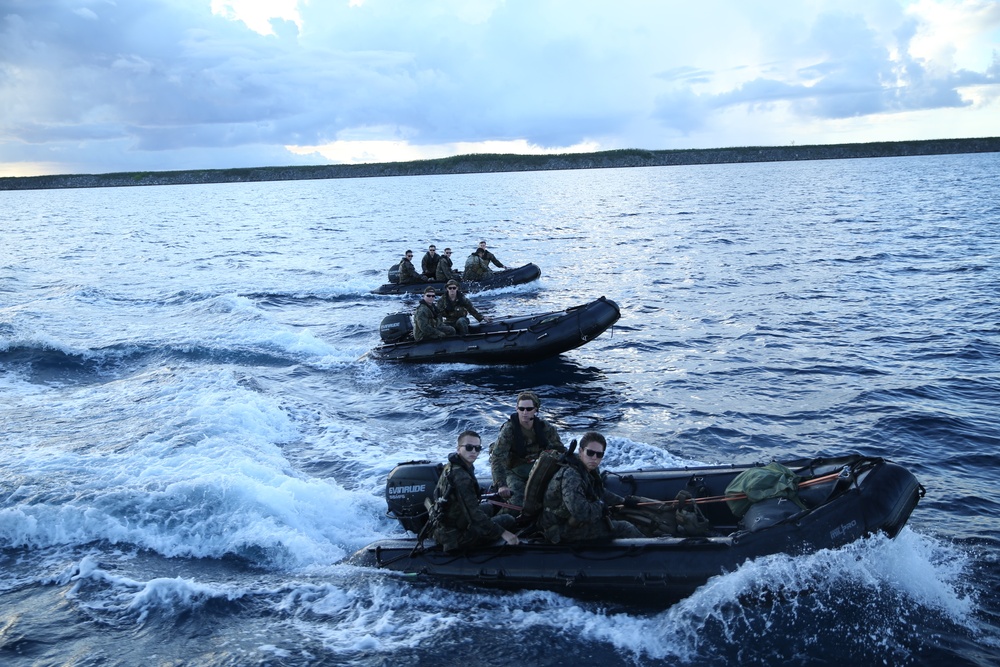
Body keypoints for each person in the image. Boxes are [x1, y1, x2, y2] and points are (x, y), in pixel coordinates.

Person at [537, 431, 644, 544]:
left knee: (620, 517)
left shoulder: (588, 470)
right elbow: (581, 513)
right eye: (590, 453)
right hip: (559, 530)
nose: (594, 458)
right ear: (581, 451)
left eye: (599, 454)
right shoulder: (571, 476)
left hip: (571, 522)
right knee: (625, 527)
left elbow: (599, 491)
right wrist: (601, 506)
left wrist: (623, 501)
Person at [426, 430, 519, 552]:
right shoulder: (461, 477)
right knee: (508, 519)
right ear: (459, 449)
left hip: (451, 522)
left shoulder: (452, 465)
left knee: (489, 507)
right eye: (469, 447)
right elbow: (475, 515)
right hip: (455, 537)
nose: (474, 452)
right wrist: (503, 533)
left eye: (477, 448)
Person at [489, 391, 565, 508]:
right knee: (519, 501)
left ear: (535, 410)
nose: (525, 412)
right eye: (521, 408)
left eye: (529, 409)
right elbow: (497, 457)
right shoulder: (509, 430)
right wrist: (501, 484)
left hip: (537, 468)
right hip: (513, 469)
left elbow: (559, 450)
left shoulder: (546, 428)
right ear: (517, 409)